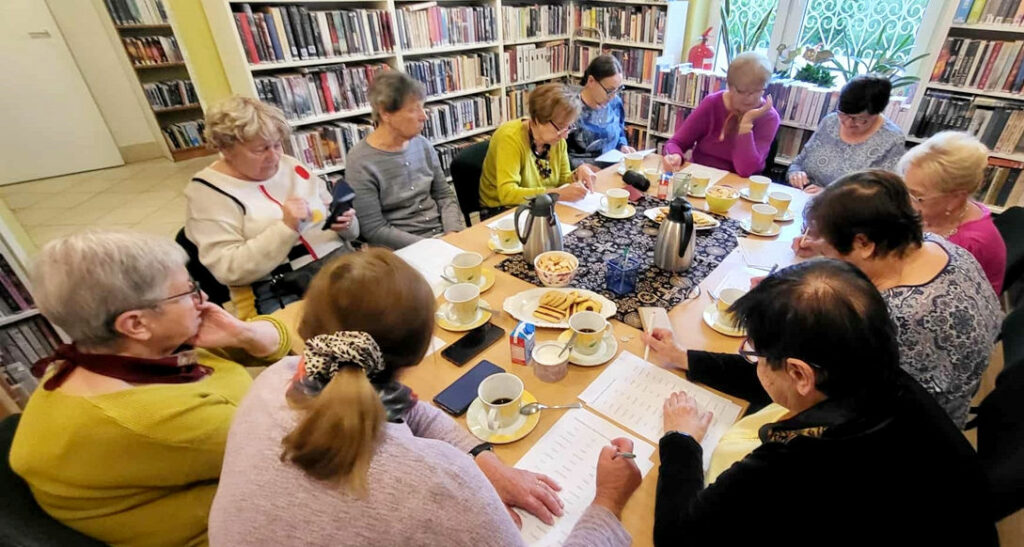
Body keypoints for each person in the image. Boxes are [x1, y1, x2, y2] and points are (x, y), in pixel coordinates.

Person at [209, 248, 641, 546]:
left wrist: (486, 463)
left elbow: (409, 409)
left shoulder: (276, 378)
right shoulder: (438, 485)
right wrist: (607, 501)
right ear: (420, 352)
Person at [646, 259, 996, 545]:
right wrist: (686, 357)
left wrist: (682, 440)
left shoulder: (806, 459)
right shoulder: (879, 377)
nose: (755, 363)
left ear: (800, 374)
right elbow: (777, 382)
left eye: (757, 353)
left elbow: (678, 536)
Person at [9, 230, 292, 546]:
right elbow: (310, 447)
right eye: (188, 293)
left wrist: (248, 336)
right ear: (136, 324)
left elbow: (275, 343)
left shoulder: (102, 356)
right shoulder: (154, 420)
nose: (205, 301)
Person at [787, 170, 1000, 427]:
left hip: (910, 431)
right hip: (947, 399)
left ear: (864, 244)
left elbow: (837, 386)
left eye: (828, 244)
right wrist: (823, 248)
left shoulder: (897, 313)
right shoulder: (939, 246)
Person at [185, 96, 359, 318]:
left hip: (339, 268)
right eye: (261, 149)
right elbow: (230, 270)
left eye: (277, 145)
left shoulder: (291, 165)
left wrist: (346, 223)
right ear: (226, 149)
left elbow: (351, 234)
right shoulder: (208, 193)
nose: (274, 156)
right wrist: (287, 228)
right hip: (281, 289)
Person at [346, 72, 466, 249]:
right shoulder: (360, 161)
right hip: (401, 250)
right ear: (386, 113)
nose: (424, 116)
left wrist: (452, 233)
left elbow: (444, 196)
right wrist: (430, 246)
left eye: (422, 108)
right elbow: (374, 229)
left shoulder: (423, 145)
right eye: (413, 109)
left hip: (442, 237)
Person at [899, 131, 1007, 294]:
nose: (907, 202)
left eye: (918, 196)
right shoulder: (942, 211)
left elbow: (925, 294)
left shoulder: (970, 245)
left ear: (955, 198)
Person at [479, 83, 598, 210]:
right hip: (502, 209)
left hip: (540, 203)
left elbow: (562, 181)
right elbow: (507, 194)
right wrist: (556, 194)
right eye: (560, 127)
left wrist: (577, 174)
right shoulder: (510, 138)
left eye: (568, 127)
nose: (565, 136)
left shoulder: (557, 140)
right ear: (537, 119)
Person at [661, 52, 780, 177]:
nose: (749, 98)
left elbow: (746, 170)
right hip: (700, 176)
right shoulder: (712, 103)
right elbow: (675, 143)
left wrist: (746, 124)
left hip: (739, 185)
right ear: (729, 86)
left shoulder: (769, 117)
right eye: (742, 91)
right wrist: (674, 155)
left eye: (757, 91)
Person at [787, 75, 906, 193]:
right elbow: (798, 163)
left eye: (859, 119)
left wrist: (829, 195)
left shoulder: (892, 139)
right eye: (843, 114)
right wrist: (795, 174)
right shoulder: (830, 122)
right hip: (804, 197)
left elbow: (884, 194)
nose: (847, 123)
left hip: (847, 209)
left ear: (876, 113)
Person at [566, 55, 635, 169]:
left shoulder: (615, 103)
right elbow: (557, 154)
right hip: (581, 175)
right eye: (610, 90)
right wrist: (581, 167)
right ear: (591, 81)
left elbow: (620, 131)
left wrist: (622, 146)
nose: (613, 96)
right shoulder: (570, 108)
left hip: (613, 169)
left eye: (618, 90)